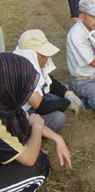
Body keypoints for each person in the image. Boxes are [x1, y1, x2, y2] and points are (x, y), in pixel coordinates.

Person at [0, 53, 72, 191]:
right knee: (37, 166)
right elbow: (30, 158)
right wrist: (37, 127)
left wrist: (58, 138)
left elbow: (26, 116)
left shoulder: (4, 103)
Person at [13, 29, 82, 134]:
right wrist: (67, 103)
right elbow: (41, 107)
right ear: (31, 54)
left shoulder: (28, 61)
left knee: (61, 91)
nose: (47, 57)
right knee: (58, 118)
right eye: (43, 54)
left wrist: (67, 93)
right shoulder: (22, 73)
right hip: (21, 112)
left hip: (35, 101)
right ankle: (28, 133)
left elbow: (47, 81)